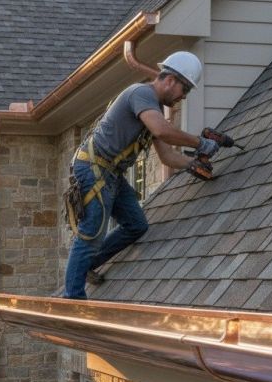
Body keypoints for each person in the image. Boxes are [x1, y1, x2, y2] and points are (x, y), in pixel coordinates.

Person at [63, 51, 220, 299]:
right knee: (91, 232)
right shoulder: (142, 94)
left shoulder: (151, 108)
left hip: (111, 173)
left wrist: (193, 164)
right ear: (170, 81)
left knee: (136, 225)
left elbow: (168, 156)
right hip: (94, 168)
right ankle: (72, 300)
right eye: (185, 89)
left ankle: (89, 264)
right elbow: (162, 130)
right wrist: (200, 143)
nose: (184, 96)